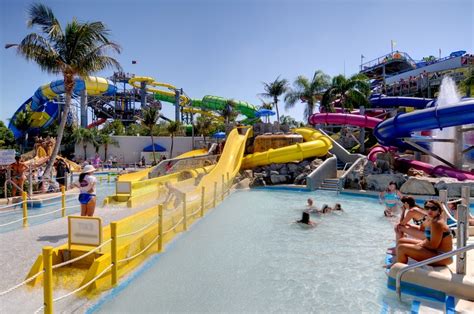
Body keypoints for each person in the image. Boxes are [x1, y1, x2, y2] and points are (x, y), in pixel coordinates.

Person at [394, 200, 453, 267]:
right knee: (401, 241)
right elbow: (423, 230)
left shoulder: (437, 223)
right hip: (436, 252)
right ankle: (399, 261)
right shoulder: (431, 219)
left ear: (439, 211)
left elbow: (433, 246)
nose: (430, 210)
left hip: (443, 256)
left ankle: (400, 270)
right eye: (427, 208)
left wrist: (419, 245)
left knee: (402, 248)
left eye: (433, 208)